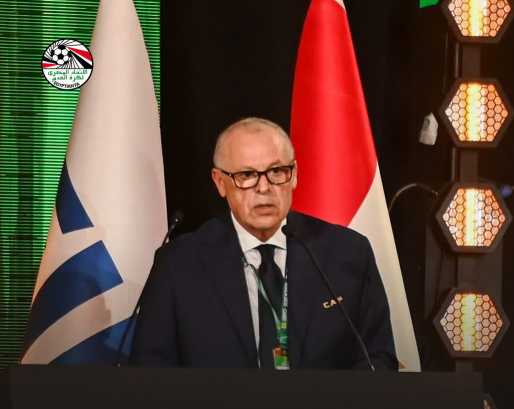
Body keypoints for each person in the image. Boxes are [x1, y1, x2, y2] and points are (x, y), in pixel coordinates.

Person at [130, 117, 398, 370]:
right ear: (220, 182)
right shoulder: (179, 263)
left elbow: (378, 360)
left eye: (277, 171)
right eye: (247, 175)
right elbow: (151, 370)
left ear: (294, 175)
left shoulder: (348, 253)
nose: (264, 188)